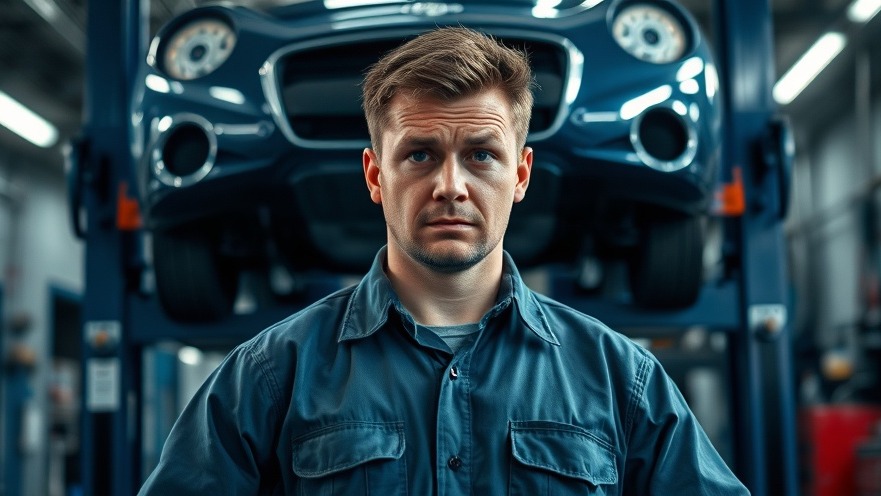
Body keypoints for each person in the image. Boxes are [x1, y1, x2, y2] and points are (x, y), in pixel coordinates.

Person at [139, 27, 750, 494]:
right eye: (420, 155)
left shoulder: (621, 381)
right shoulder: (270, 377)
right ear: (376, 175)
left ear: (521, 174)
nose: (451, 186)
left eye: (482, 155)